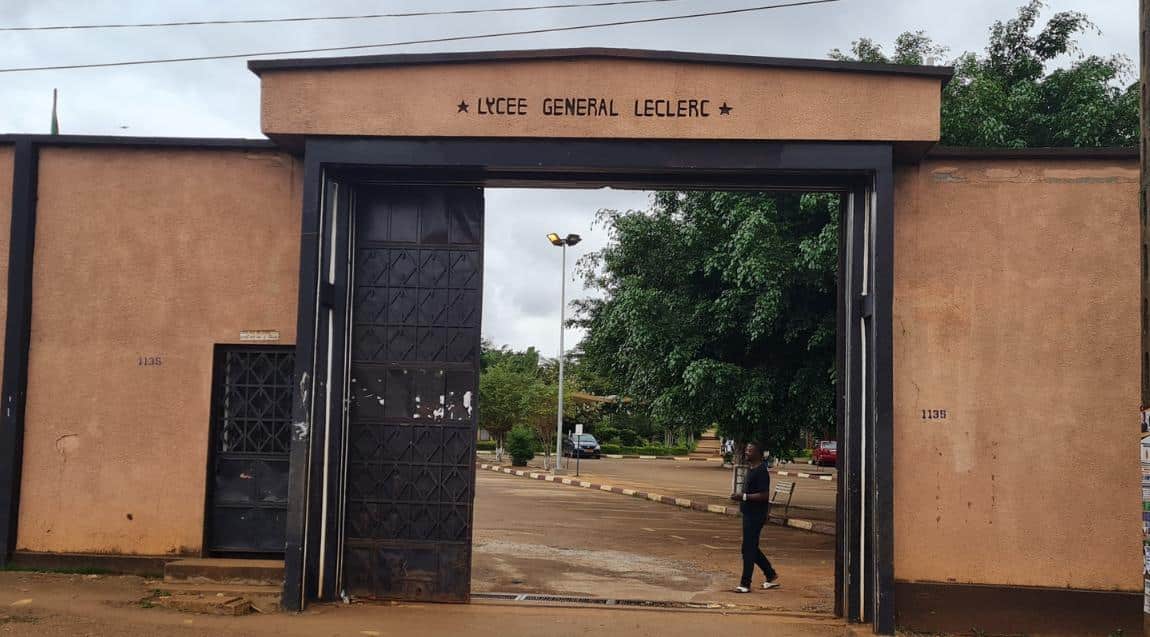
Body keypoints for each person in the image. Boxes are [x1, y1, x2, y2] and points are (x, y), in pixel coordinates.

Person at [729, 441, 780, 593]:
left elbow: (764, 495)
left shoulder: (761, 471)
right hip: (748, 513)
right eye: (746, 449)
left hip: (756, 515)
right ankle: (770, 574)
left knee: (748, 549)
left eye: (750, 450)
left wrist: (743, 496)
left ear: (758, 453)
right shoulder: (752, 469)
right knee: (748, 548)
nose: (746, 452)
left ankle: (745, 584)